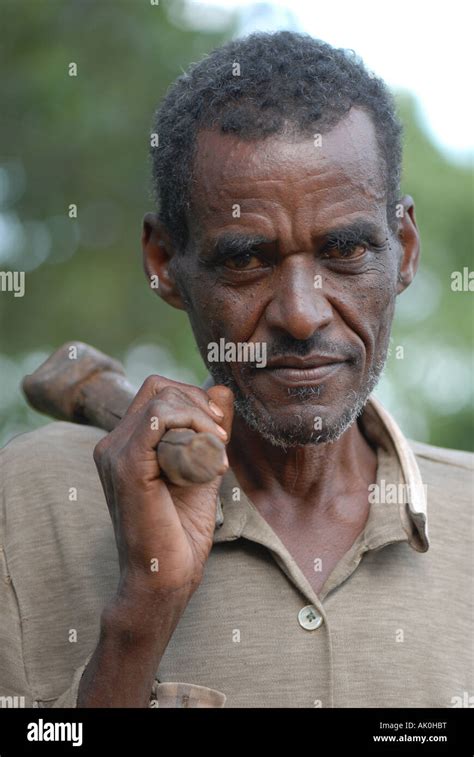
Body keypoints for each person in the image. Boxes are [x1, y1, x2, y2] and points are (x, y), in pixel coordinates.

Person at [0, 31, 472, 709]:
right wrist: (144, 610)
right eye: (247, 258)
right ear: (165, 262)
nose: (303, 315)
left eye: (344, 250)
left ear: (402, 249)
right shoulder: (31, 504)